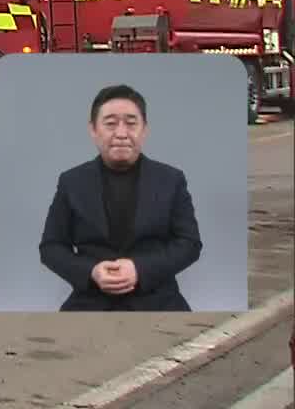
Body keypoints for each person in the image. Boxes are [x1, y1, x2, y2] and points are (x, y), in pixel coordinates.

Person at [38, 84, 202, 311]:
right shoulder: (71, 182)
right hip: (90, 301)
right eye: (111, 124)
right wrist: (91, 271)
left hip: (159, 301)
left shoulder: (171, 180)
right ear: (93, 130)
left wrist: (140, 270)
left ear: (145, 130)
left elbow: (190, 243)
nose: (121, 134)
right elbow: (51, 247)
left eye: (131, 123)